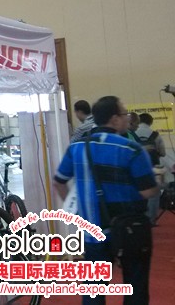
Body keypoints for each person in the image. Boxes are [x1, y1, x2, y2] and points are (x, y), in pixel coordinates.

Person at [53, 96, 157, 305]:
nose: (128, 118)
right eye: (125, 114)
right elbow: (148, 192)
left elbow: (59, 182)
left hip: (92, 231)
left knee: (93, 289)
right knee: (135, 286)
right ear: (114, 119)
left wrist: (79, 211)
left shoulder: (77, 148)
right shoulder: (131, 149)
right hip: (129, 229)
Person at [137, 113, 167, 224]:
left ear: (138, 121)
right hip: (154, 167)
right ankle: (152, 219)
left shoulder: (132, 134)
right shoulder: (156, 135)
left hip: (137, 167)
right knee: (154, 194)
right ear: (151, 122)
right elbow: (163, 153)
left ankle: (139, 218)